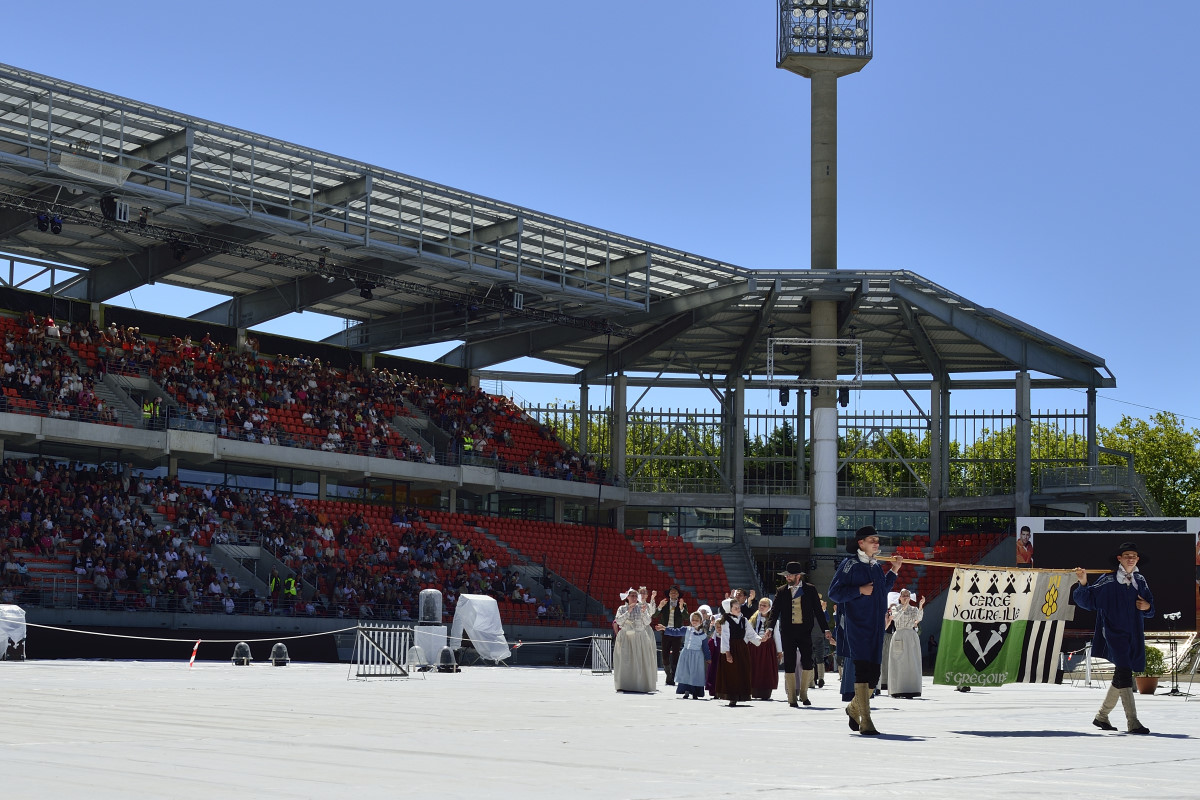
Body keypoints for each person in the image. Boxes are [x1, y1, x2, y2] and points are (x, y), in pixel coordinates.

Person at [1072, 541, 1155, 734]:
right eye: (1127, 555)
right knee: (1125, 672)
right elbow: (1087, 600)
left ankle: (1101, 716)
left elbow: (1150, 607)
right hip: (1113, 633)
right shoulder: (1108, 580)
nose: (1131, 559)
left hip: (1133, 633)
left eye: (1134, 556)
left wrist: (1148, 608)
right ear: (1119, 558)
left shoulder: (1140, 581)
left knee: (1121, 674)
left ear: (1138, 559)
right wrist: (1083, 582)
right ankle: (1132, 721)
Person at [828, 525, 902, 735]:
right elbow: (834, 593)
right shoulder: (849, 564)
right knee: (861, 671)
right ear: (861, 543)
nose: (876, 543)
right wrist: (859, 590)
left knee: (873, 674)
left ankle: (853, 708)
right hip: (857, 625)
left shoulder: (876, 566)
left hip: (876, 626)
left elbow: (881, 590)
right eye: (872, 540)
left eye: (877, 540)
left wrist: (894, 571)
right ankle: (866, 721)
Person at [768, 561, 832, 707]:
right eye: (786, 575)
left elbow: (818, 611)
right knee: (789, 662)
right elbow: (774, 612)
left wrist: (826, 629)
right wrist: (770, 628)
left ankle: (803, 693)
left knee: (808, 661)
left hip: (804, 631)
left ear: (798, 576)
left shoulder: (810, 589)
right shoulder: (782, 590)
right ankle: (791, 696)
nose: (787, 578)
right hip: (788, 632)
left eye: (789, 575)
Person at [714, 597, 765, 707]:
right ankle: (732, 696)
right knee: (732, 672)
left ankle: (742, 694)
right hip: (731, 648)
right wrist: (727, 653)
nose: (738, 609)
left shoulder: (744, 620)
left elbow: (751, 634)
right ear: (729, 610)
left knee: (742, 670)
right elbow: (725, 637)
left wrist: (760, 639)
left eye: (738, 607)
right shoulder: (726, 621)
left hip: (742, 648)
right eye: (735, 608)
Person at [613, 588, 659, 693]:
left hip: (639, 637)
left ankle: (640, 684)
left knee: (640, 660)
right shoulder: (622, 608)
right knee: (625, 661)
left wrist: (643, 613)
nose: (634, 597)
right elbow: (619, 621)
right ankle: (625, 684)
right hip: (626, 638)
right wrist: (628, 611)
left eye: (635, 596)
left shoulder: (641, 607)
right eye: (631, 595)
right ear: (627, 597)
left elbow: (647, 622)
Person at [663, 611, 711, 700]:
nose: (694, 621)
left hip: (697, 657)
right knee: (686, 673)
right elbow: (675, 632)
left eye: (697, 620)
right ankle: (686, 691)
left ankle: (695, 692)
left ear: (701, 621)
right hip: (686, 655)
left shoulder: (703, 635)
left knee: (695, 674)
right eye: (693, 620)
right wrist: (665, 629)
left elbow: (705, 648)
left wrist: (708, 658)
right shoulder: (687, 629)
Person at [887, 589, 925, 698]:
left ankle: (911, 689)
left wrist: (921, 606)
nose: (905, 597)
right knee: (898, 662)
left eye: (907, 595)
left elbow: (918, 618)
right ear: (899, 597)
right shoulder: (895, 608)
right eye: (903, 595)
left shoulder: (914, 609)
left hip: (911, 635)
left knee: (911, 662)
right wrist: (904, 607)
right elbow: (895, 618)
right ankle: (897, 689)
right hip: (899, 634)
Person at [748, 597, 781, 701]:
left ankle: (765, 692)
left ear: (769, 607)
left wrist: (779, 651)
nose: (761, 607)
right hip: (755, 646)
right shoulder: (753, 619)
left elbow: (777, 635)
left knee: (766, 669)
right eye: (760, 605)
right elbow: (748, 633)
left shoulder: (773, 620)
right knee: (754, 668)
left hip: (767, 648)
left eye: (764, 605)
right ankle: (753, 690)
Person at [655, 586, 688, 686]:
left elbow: (687, 617)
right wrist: (660, 606)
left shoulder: (682, 604)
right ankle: (668, 674)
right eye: (671, 592)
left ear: (678, 595)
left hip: (677, 633)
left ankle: (673, 676)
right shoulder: (664, 603)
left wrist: (682, 608)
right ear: (669, 594)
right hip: (665, 632)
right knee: (664, 654)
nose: (673, 594)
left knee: (675, 655)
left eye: (675, 592)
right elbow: (654, 615)